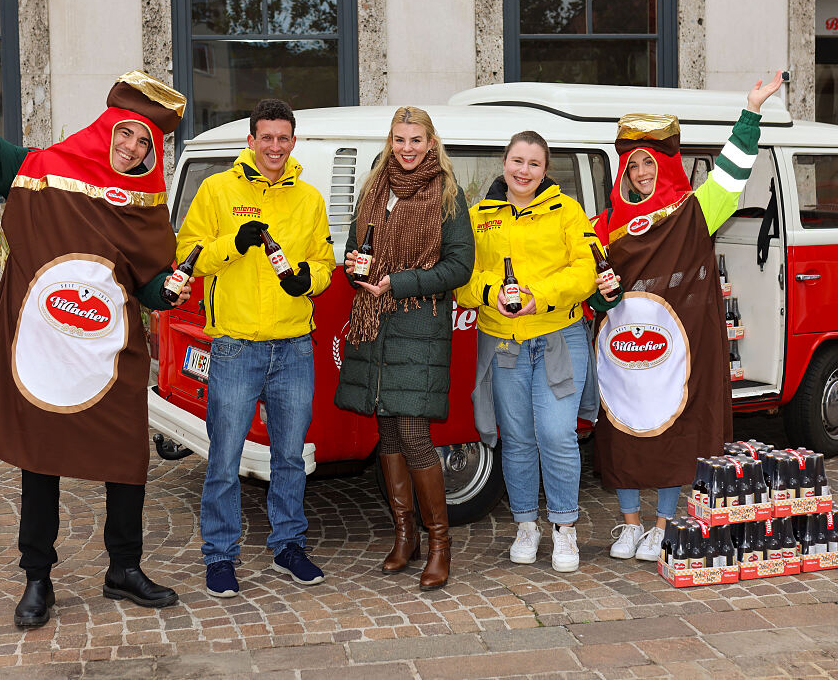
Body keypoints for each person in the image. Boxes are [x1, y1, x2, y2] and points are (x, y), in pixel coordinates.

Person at [0, 31, 190, 628]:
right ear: (106, 126)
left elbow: (146, 282)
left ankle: (123, 568)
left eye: (140, 140)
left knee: (126, 457)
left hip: (109, 352)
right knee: (41, 460)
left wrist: (164, 291)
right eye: (123, 131)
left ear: (150, 151)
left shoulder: (145, 206)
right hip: (46, 343)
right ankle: (37, 577)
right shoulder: (46, 172)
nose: (127, 146)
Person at [593, 73, 784, 563]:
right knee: (624, 432)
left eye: (649, 162)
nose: (641, 172)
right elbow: (586, 283)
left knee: (673, 428)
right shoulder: (605, 222)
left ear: (665, 164)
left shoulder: (694, 210)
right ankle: (630, 524)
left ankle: (662, 525)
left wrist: (751, 111)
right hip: (622, 348)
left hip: (675, 348)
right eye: (633, 165)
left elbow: (732, 172)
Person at [176, 99, 336, 598]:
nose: (274, 146)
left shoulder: (308, 197)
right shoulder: (217, 189)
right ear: (251, 141)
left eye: (282, 138)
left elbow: (324, 261)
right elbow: (188, 257)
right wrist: (235, 245)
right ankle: (220, 556)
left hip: (293, 346)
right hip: (236, 347)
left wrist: (309, 280)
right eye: (265, 137)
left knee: (290, 457)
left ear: (293, 142)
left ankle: (289, 545)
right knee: (224, 458)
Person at [457, 131, 621, 573]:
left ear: (545, 170)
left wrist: (540, 296)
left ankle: (564, 528)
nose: (523, 170)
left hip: (558, 339)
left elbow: (588, 267)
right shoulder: (478, 215)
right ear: (504, 163)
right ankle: (526, 525)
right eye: (517, 160)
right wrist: (491, 293)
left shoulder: (566, 210)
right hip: (503, 343)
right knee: (518, 440)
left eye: (533, 163)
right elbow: (462, 277)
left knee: (556, 434)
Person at [334, 106, 473, 591]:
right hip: (375, 326)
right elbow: (355, 248)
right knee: (388, 432)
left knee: (413, 433)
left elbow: (459, 268)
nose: (407, 148)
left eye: (416, 140)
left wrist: (400, 282)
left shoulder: (449, 197)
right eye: (399, 139)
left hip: (419, 326)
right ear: (390, 141)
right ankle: (404, 536)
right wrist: (357, 267)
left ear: (432, 143)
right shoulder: (373, 190)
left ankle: (440, 545)